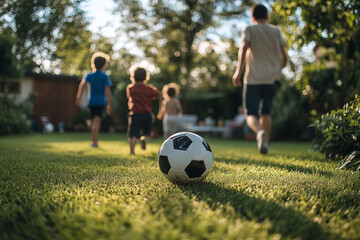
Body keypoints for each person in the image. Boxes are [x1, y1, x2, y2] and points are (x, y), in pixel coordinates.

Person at [232, 4, 287, 154]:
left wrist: (238, 72)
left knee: (250, 114)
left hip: (253, 78)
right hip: (272, 78)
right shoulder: (276, 31)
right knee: (266, 112)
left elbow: (244, 48)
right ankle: (266, 144)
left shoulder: (250, 29)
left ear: (253, 17)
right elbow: (284, 55)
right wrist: (278, 68)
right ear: (267, 16)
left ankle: (259, 132)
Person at [76, 51, 112, 147]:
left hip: (91, 101)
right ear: (104, 65)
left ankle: (93, 140)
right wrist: (109, 105)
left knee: (93, 120)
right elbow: (108, 91)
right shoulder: (104, 76)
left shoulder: (90, 75)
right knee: (97, 121)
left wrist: (78, 97)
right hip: (100, 102)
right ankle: (95, 141)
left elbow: (82, 85)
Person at [126, 66, 162, 155]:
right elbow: (159, 94)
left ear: (133, 76)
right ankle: (144, 139)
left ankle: (132, 151)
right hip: (147, 115)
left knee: (133, 134)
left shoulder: (130, 88)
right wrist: (160, 107)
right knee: (147, 132)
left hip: (135, 114)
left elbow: (129, 97)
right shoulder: (149, 88)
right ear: (146, 77)